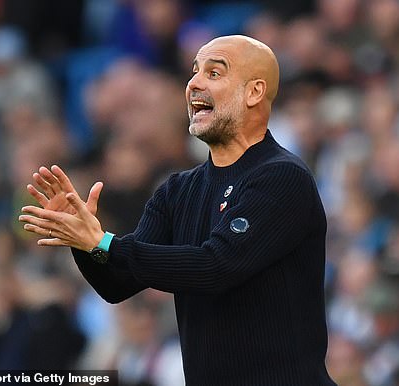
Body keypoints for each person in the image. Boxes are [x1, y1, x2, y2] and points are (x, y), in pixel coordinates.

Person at [19, 35, 337, 386]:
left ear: (254, 92)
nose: (194, 83)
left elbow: (216, 266)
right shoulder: (177, 190)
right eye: (194, 72)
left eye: (214, 73)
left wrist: (106, 242)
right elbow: (118, 282)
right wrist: (83, 240)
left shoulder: (282, 176)